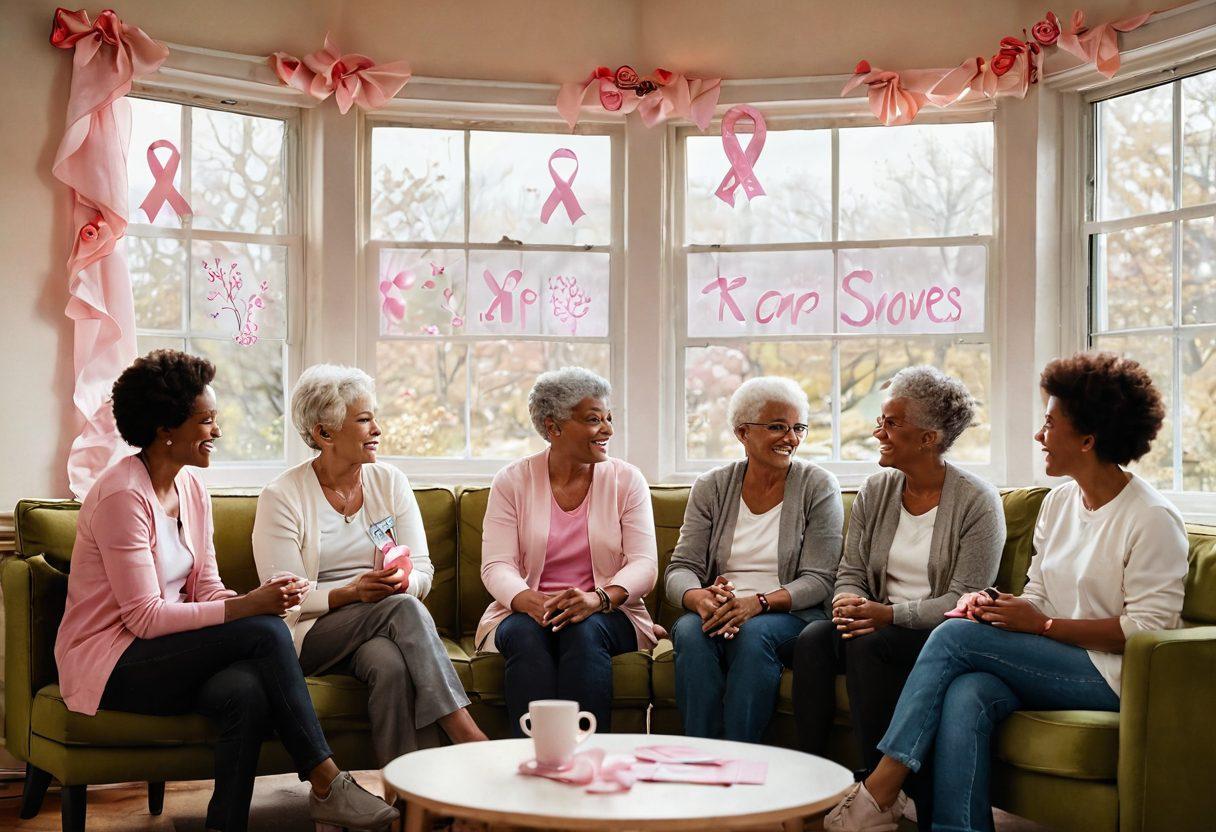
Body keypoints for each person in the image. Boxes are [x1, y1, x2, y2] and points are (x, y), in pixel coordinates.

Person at [824, 352, 1189, 832]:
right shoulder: (1060, 502)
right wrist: (998, 607)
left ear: (1087, 439)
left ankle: (881, 786)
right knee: (968, 690)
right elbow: (1038, 591)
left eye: (1049, 424)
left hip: (1118, 678)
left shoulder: (1151, 518)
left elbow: (1148, 632)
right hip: (1054, 655)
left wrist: (1043, 626)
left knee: (955, 638)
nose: (1039, 435)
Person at [54, 350, 397, 832]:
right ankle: (326, 781)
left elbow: (208, 587)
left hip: (167, 654)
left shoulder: (192, 489)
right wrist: (249, 607)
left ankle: (225, 824)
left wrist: (259, 596)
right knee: (262, 631)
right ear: (164, 429)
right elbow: (144, 618)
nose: (217, 431)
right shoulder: (121, 497)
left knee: (247, 690)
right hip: (113, 662)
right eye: (206, 421)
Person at [792, 366, 1004, 824]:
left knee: (869, 645)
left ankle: (879, 793)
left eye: (890, 423)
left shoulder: (977, 502)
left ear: (928, 438)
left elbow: (965, 597)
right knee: (812, 640)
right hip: (877, 623)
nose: (877, 431)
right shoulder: (877, 489)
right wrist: (847, 602)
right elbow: (849, 570)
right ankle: (808, 783)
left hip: (941, 636)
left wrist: (889, 614)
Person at [253, 364, 485, 768]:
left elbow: (423, 571)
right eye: (364, 419)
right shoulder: (282, 496)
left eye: (374, 416)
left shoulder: (389, 481)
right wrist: (350, 592)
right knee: (403, 609)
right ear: (324, 434)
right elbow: (285, 598)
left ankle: (407, 798)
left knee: (390, 664)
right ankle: (464, 730)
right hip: (311, 634)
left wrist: (401, 581)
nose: (377, 428)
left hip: (383, 624)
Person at [477, 367, 659, 735]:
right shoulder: (512, 480)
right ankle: (531, 759)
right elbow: (497, 564)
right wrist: (529, 600)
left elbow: (644, 563)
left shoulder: (627, 480)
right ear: (553, 427)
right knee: (525, 636)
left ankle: (588, 760)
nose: (607, 429)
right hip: (528, 609)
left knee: (583, 630)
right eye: (594, 420)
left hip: (607, 611)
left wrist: (598, 599)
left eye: (609, 418)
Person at [664, 377, 843, 742]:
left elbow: (820, 579)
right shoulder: (712, 486)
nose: (790, 438)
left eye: (798, 428)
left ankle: (741, 755)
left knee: (753, 635)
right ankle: (699, 755)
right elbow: (680, 568)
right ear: (742, 432)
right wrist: (699, 598)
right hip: (723, 608)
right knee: (688, 631)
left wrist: (758, 603)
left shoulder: (818, 486)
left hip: (789, 613)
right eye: (777, 426)